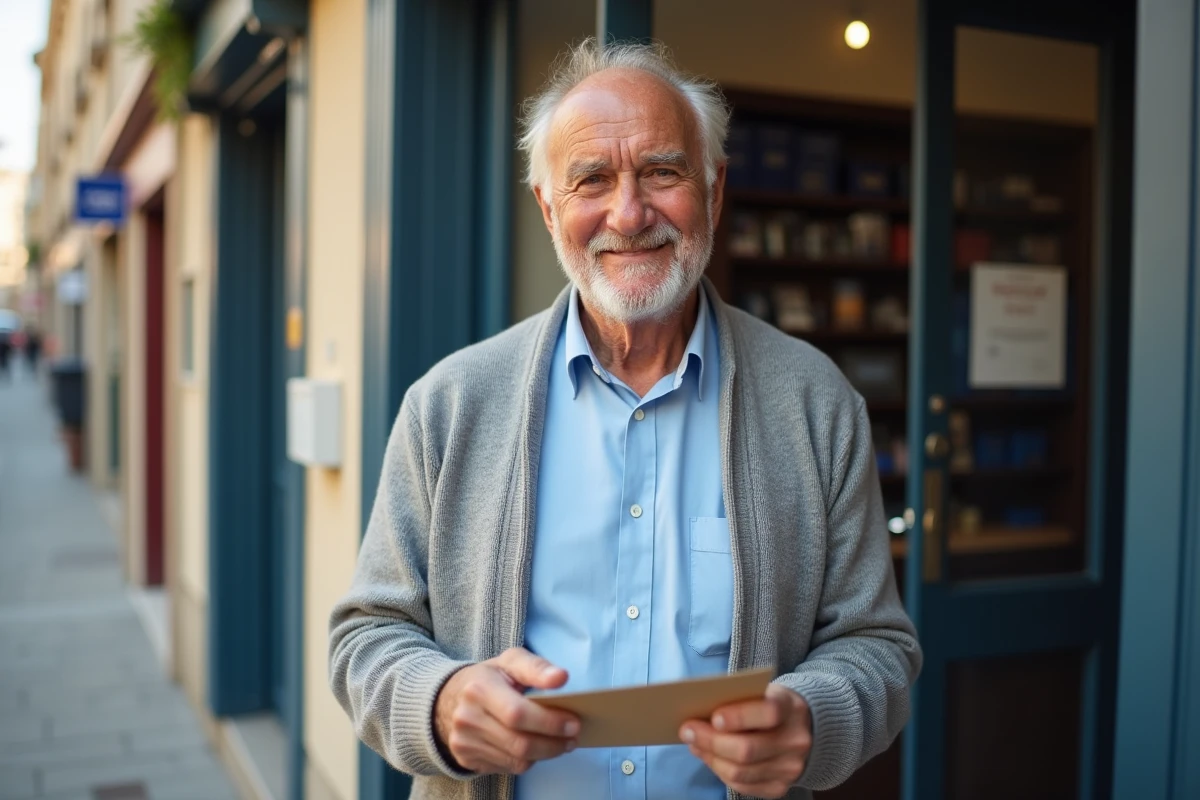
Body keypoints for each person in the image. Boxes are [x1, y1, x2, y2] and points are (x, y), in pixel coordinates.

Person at [329, 39, 921, 800]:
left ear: (713, 191)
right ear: (549, 208)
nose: (630, 212)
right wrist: (440, 703)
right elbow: (365, 637)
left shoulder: (817, 403)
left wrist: (814, 716)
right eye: (592, 180)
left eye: (663, 173)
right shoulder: (450, 405)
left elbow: (876, 646)